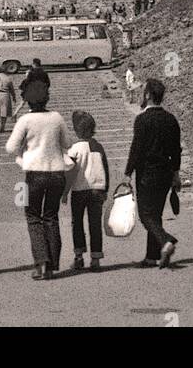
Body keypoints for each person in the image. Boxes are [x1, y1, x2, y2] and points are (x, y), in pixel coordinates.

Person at [5, 84, 74, 280]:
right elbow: (67, 144)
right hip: (57, 173)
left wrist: (25, 149)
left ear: (27, 100)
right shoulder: (57, 117)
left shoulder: (25, 119)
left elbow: (10, 147)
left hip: (34, 173)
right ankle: (52, 264)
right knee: (51, 217)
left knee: (33, 216)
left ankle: (41, 261)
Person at [123, 78, 181, 268]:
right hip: (165, 172)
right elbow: (176, 150)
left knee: (145, 214)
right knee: (155, 214)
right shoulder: (171, 119)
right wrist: (176, 173)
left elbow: (136, 148)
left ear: (147, 95)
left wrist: (127, 172)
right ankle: (151, 256)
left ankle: (166, 240)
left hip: (147, 172)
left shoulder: (142, 120)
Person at [63, 110, 109, 271]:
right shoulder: (99, 147)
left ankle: (79, 256)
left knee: (77, 223)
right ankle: (96, 258)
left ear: (76, 130)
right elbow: (106, 169)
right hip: (97, 189)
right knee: (95, 224)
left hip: (79, 190)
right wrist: (106, 189)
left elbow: (69, 172)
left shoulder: (74, 149)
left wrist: (64, 192)